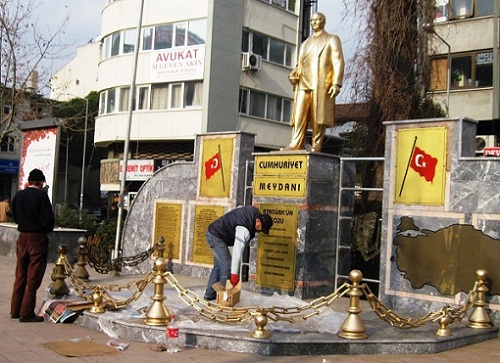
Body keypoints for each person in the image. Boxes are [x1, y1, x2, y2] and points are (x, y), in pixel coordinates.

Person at [283, 12, 344, 153]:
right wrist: (293, 75)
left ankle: (317, 144)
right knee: (299, 115)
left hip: (321, 84)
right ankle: (296, 143)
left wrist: (336, 83)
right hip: (303, 84)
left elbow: (338, 61)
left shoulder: (331, 39)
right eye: (312, 20)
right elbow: (300, 65)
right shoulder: (305, 44)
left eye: (317, 20)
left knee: (319, 117)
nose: (314, 23)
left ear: (323, 21)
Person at [10, 168, 55, 322]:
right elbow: (48, 220)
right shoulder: (42, 196)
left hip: (22, 238)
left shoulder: (19, 195)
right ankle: (27, 312)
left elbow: (14, 215)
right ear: (41, 182)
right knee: (33, 277)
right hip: (37, 239)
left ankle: (15, 310)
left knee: (20, 275)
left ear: (29, 182)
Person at [203, 206, 273, 301]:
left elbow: (239, 209)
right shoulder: (244, 229)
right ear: (257, 221)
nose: (260, 231)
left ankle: (209, 294)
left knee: (219, 266)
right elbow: (237, 251)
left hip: (215, 232)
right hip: (216, 236)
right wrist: (234, 275)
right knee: (227, 266)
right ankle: (226, 299)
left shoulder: (254, 212)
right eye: (261, 228)